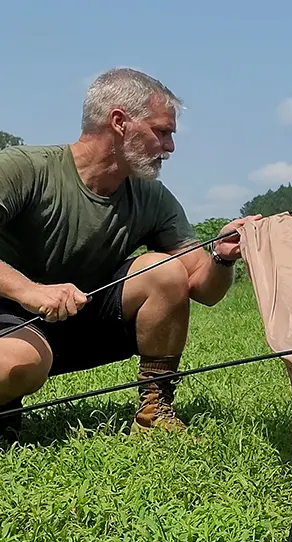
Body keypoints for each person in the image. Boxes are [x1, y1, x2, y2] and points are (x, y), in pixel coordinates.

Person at [0, 67, 258, 443]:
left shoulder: (150, 195)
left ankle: (155, 410)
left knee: (165, 271)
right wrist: (30, 291)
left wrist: (222, 255)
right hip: (9, 313)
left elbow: (204, 289)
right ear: (119, 122)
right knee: (19, 366)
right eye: (162, 131)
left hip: (77, 317)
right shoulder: (25, 168)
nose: (170, 147)